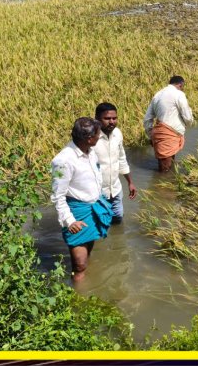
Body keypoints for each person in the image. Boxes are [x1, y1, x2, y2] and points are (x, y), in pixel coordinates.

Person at [50, 117, 114, 285]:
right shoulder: (63, 161)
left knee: (87, 255)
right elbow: (58, 195)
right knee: (79, 265)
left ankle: (87, 285)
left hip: (92, 208)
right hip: (76, 212)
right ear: (88, 138)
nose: (100, 137)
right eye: (98, 135)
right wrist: (69, 221)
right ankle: (78, 298)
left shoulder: (89, 152)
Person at [94, 102, 137, 225]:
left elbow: (122, 158)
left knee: (118, 218)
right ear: (97, 119)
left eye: (114, 118)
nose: (111, 121)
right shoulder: (91, 138)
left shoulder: (117, 133)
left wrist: (130, 182)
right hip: (98, 192)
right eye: (107, 118)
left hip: (115, 188)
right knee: (100, 223)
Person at [143, 75, 194, 172]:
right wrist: (189, 123)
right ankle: (162, 185)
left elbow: (147, 119)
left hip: (160, 134)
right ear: (180, 85)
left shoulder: (157, 95)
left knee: (165, 163)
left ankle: (164, 184)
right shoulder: (179, 94)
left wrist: (151, 135)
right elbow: (187, 116)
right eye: (182, 87)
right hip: (170, 134)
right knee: (165, 169)